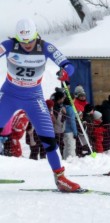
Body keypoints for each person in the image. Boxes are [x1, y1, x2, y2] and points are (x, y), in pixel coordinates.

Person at [0, 18, 81, 191]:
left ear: (36, 35)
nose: (27, 45)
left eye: (30, 40)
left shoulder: (45, 47)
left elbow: (68, 64)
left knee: (48, 138)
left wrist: (65, 71)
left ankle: (60, 178)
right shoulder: (8, 45)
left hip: (34, 97)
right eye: (23, 42)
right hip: (9, 95)